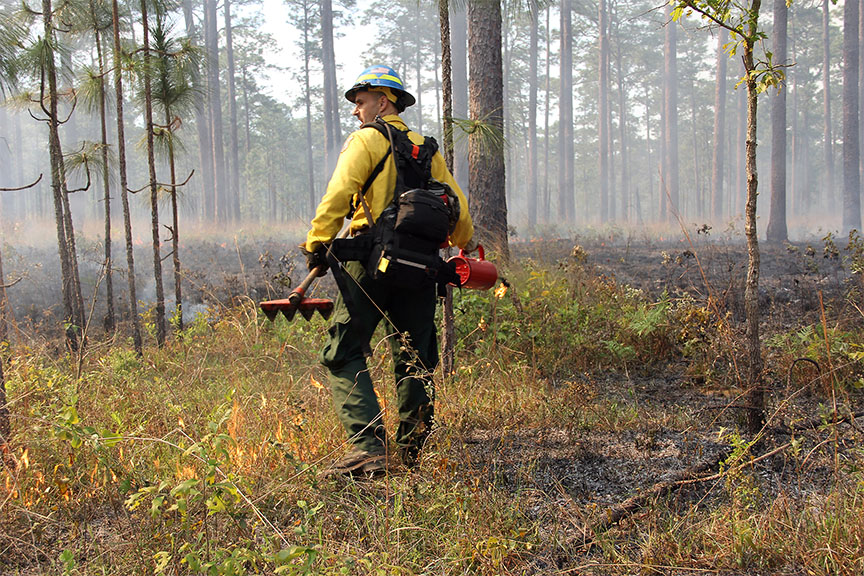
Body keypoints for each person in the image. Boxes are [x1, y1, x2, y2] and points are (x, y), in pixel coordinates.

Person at [303, 64, 476, 477]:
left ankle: (368, 450)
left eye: (360, 102)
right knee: (415, 359)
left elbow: (339, 194)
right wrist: (460, 247)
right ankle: (413, 454)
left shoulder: (366, 140)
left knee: (343, 351)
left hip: (369, 266)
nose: (355, 111)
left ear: (383, 101)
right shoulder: (427, 149)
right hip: (421, 271)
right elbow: (462, 216)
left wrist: (316, 242)